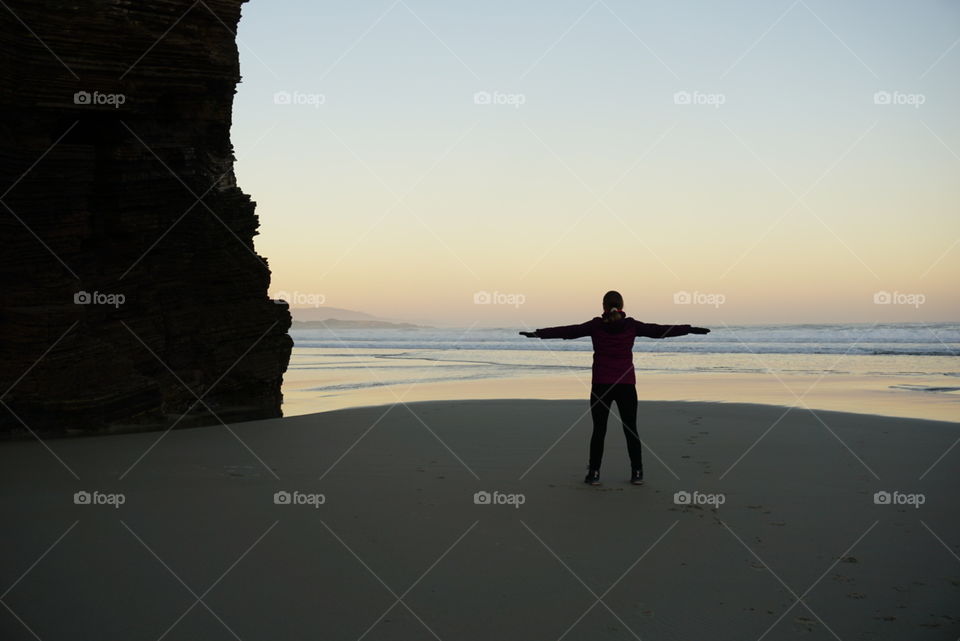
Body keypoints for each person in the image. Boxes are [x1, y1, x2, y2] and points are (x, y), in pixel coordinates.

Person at [520, 291, 709, 486]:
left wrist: (538, 334)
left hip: (601, 385)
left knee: (599, 430)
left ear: (603, 306)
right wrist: (690, 329)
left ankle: (594, 474)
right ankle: (637, 473)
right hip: (626, 385)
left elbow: (569, 331)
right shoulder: (631, 325)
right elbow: (659, 331)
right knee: (631, 429)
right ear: (622, 305)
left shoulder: (596, 325)